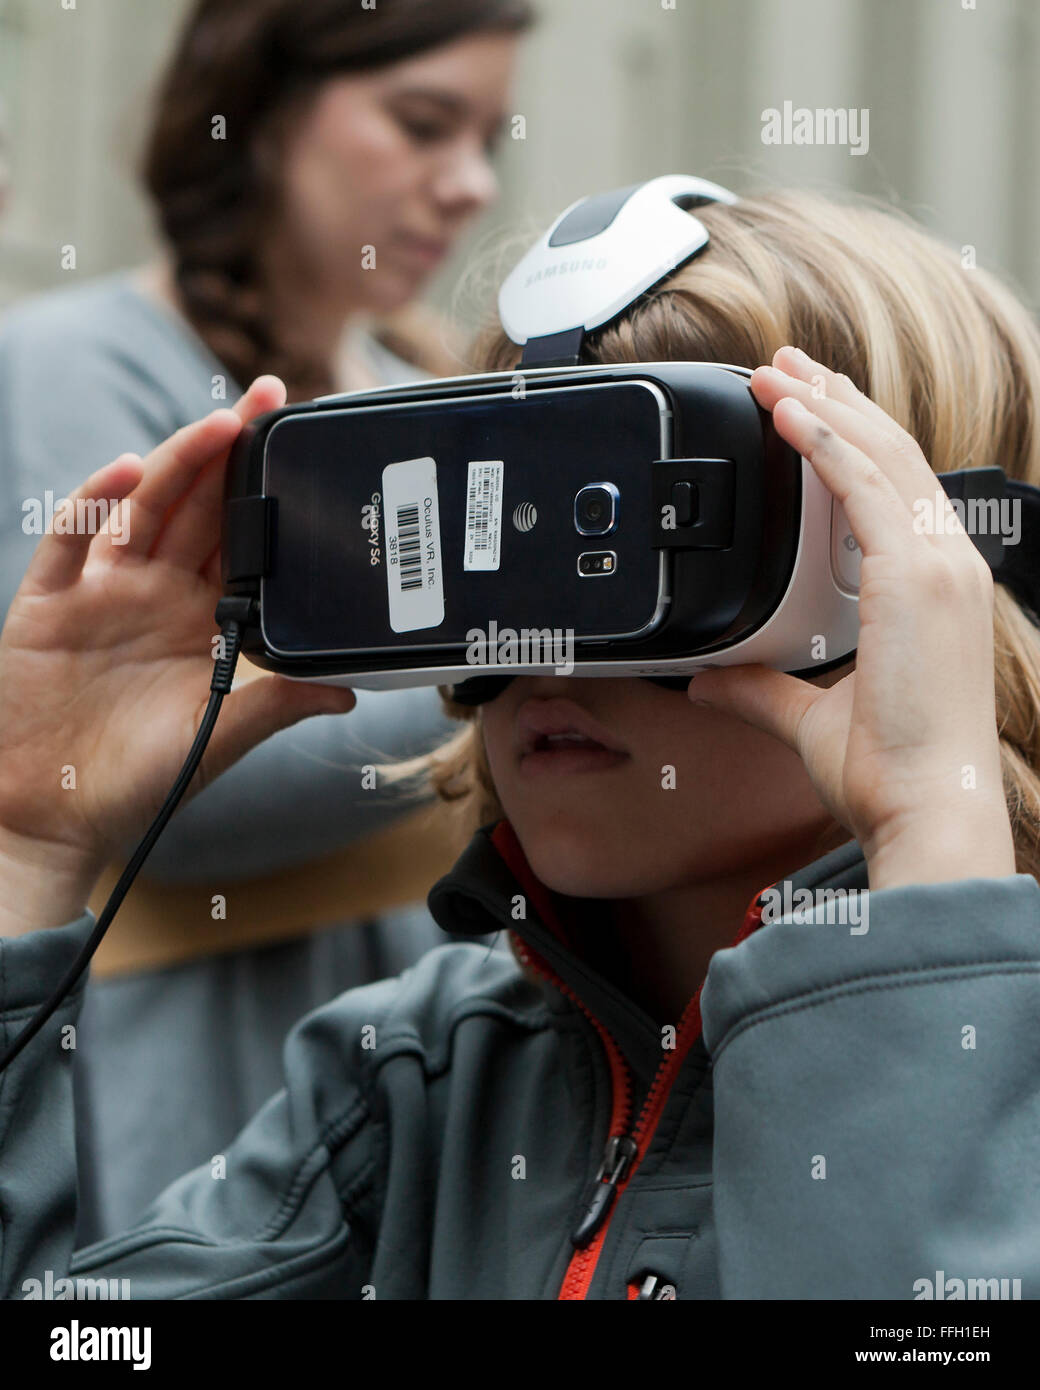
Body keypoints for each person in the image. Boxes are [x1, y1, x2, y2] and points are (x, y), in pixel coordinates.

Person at [2, 188, 1039, 1300]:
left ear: (905, 577)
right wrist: (25, 844)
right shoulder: (420, 1080)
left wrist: (936, 823)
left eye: (628, 535)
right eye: (491, 527)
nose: (540, 639)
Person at [0, 0, 534, 1242]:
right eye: (419, 124)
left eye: (487, 139)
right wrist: (521, 661)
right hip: (168, 1120)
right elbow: (166, 775)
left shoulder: (418, 396)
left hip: (401, 1137)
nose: (463, 185)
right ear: (264, 114)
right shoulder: (73, 367)